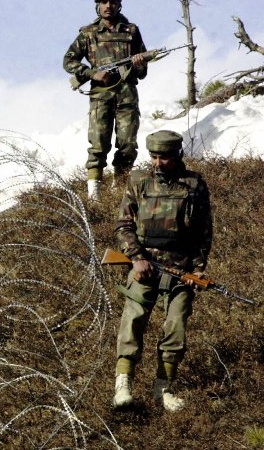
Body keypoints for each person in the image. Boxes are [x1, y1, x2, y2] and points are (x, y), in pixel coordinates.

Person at [112, 130, 213, 412]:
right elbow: (123, 225)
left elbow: (204, 233)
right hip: (145, 267)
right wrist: (136, 258)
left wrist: (198, 269)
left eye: (164, 157)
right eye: (154, 157)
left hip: (181, 270)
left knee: (176, 328)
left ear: (177, 155)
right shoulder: (138, 181)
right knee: (132, 322)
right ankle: (123, 385)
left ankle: (163, 389)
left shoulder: (195, 184)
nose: (158, 163)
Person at [63, 0, 148, 200]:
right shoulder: (88, 33)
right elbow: (69, 61)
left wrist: (138, 63)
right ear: (97, 6)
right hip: (101, 96)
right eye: (104, 3)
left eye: (112, 2)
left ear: (119, 4)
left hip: (127, 94)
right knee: (99, 143)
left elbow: (143, 71)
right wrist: (92, 74)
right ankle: (94, 194)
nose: (108, 6)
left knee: (128, 144)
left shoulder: (131, 31)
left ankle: (120, 189)